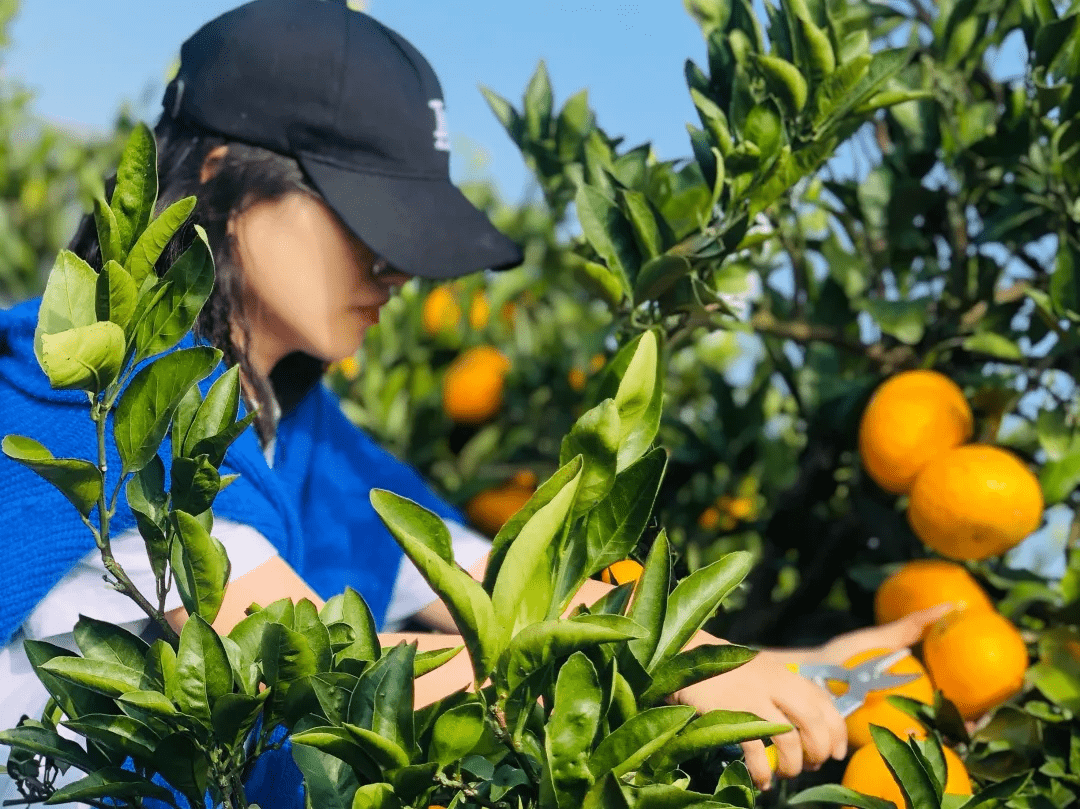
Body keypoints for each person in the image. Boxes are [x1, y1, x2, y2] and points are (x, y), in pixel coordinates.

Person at [0, 0, 948, 802]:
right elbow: (318, 670)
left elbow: (514, 594)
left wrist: (809, 668)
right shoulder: (92, 394)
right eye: (365, 222)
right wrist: (670, 684)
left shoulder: (301, 431)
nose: (398, 268)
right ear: (219, 178)